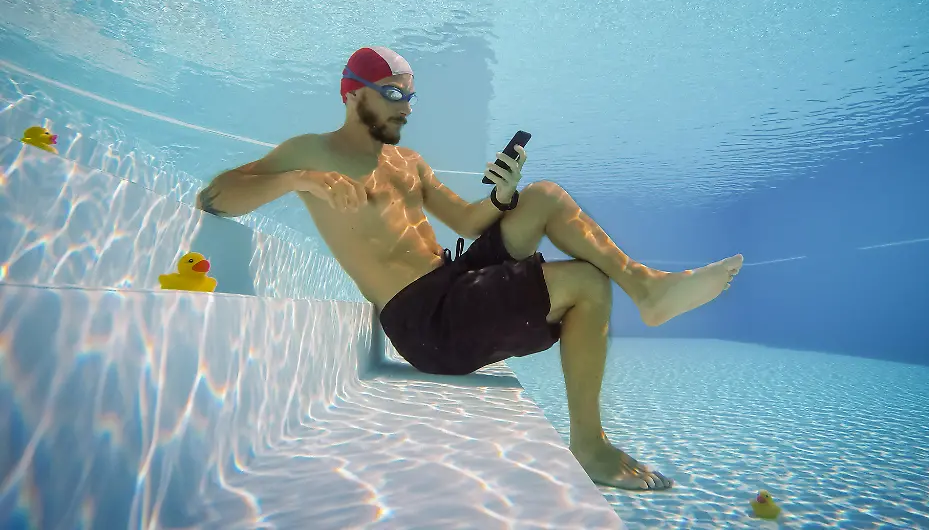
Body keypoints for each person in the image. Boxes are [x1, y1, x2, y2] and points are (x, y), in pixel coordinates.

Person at [196, 46, 743, 491]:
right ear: (352, 92)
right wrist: (298, 180)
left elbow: (464, 219)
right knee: (585, 285)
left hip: (453, 282)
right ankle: (589, 446)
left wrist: (503, 196)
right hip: (426, 324)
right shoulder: (309, 152)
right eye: (393, 94)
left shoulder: (409, 163)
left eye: (410, 97)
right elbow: (215, 197)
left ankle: (646, 289)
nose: (406, 107)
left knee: (543, 195)